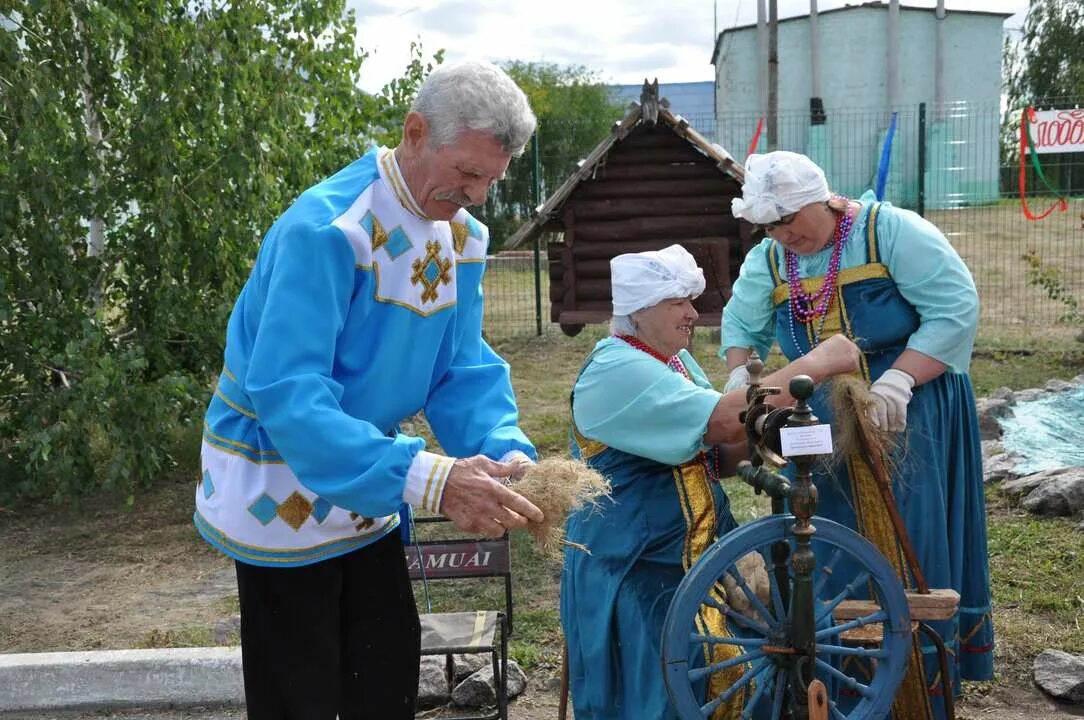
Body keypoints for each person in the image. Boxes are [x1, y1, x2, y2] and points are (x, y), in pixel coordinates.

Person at [193, 61, 545, 720]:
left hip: (370, 489)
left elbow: (460, 369)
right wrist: (430, 478)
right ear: (415, 131)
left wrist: (505, 449)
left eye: (490, 181)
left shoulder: (463, 239)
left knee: (384, 678)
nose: (476, 195)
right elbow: (290, 394)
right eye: (467, 173)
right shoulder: (328, 230)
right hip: (280, 490)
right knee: (302, 695)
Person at [721, 151, 994, 714]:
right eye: (769, 224)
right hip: (814, 416)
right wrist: (739, 373)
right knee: (816, 535)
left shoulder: (887, 230)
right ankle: (833, 683)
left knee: (906, 538)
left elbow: (955, 306)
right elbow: (740, 325)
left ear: (823, 200)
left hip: (909, 406)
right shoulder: (771, 260)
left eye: (789, 218)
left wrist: (898, 380)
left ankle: (911, 686)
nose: (782, 233)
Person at [559, 244, 862, 720]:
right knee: (693, 662)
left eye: (690, 301)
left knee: (778, 626)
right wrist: (818, 362)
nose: (692, 314)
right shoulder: (616, 369)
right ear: (639, 311)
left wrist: (782, 439)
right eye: (677, 302)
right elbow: (723, 420)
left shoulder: (673, 362)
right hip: (635, 563)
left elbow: (714, 455)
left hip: (693, 554)